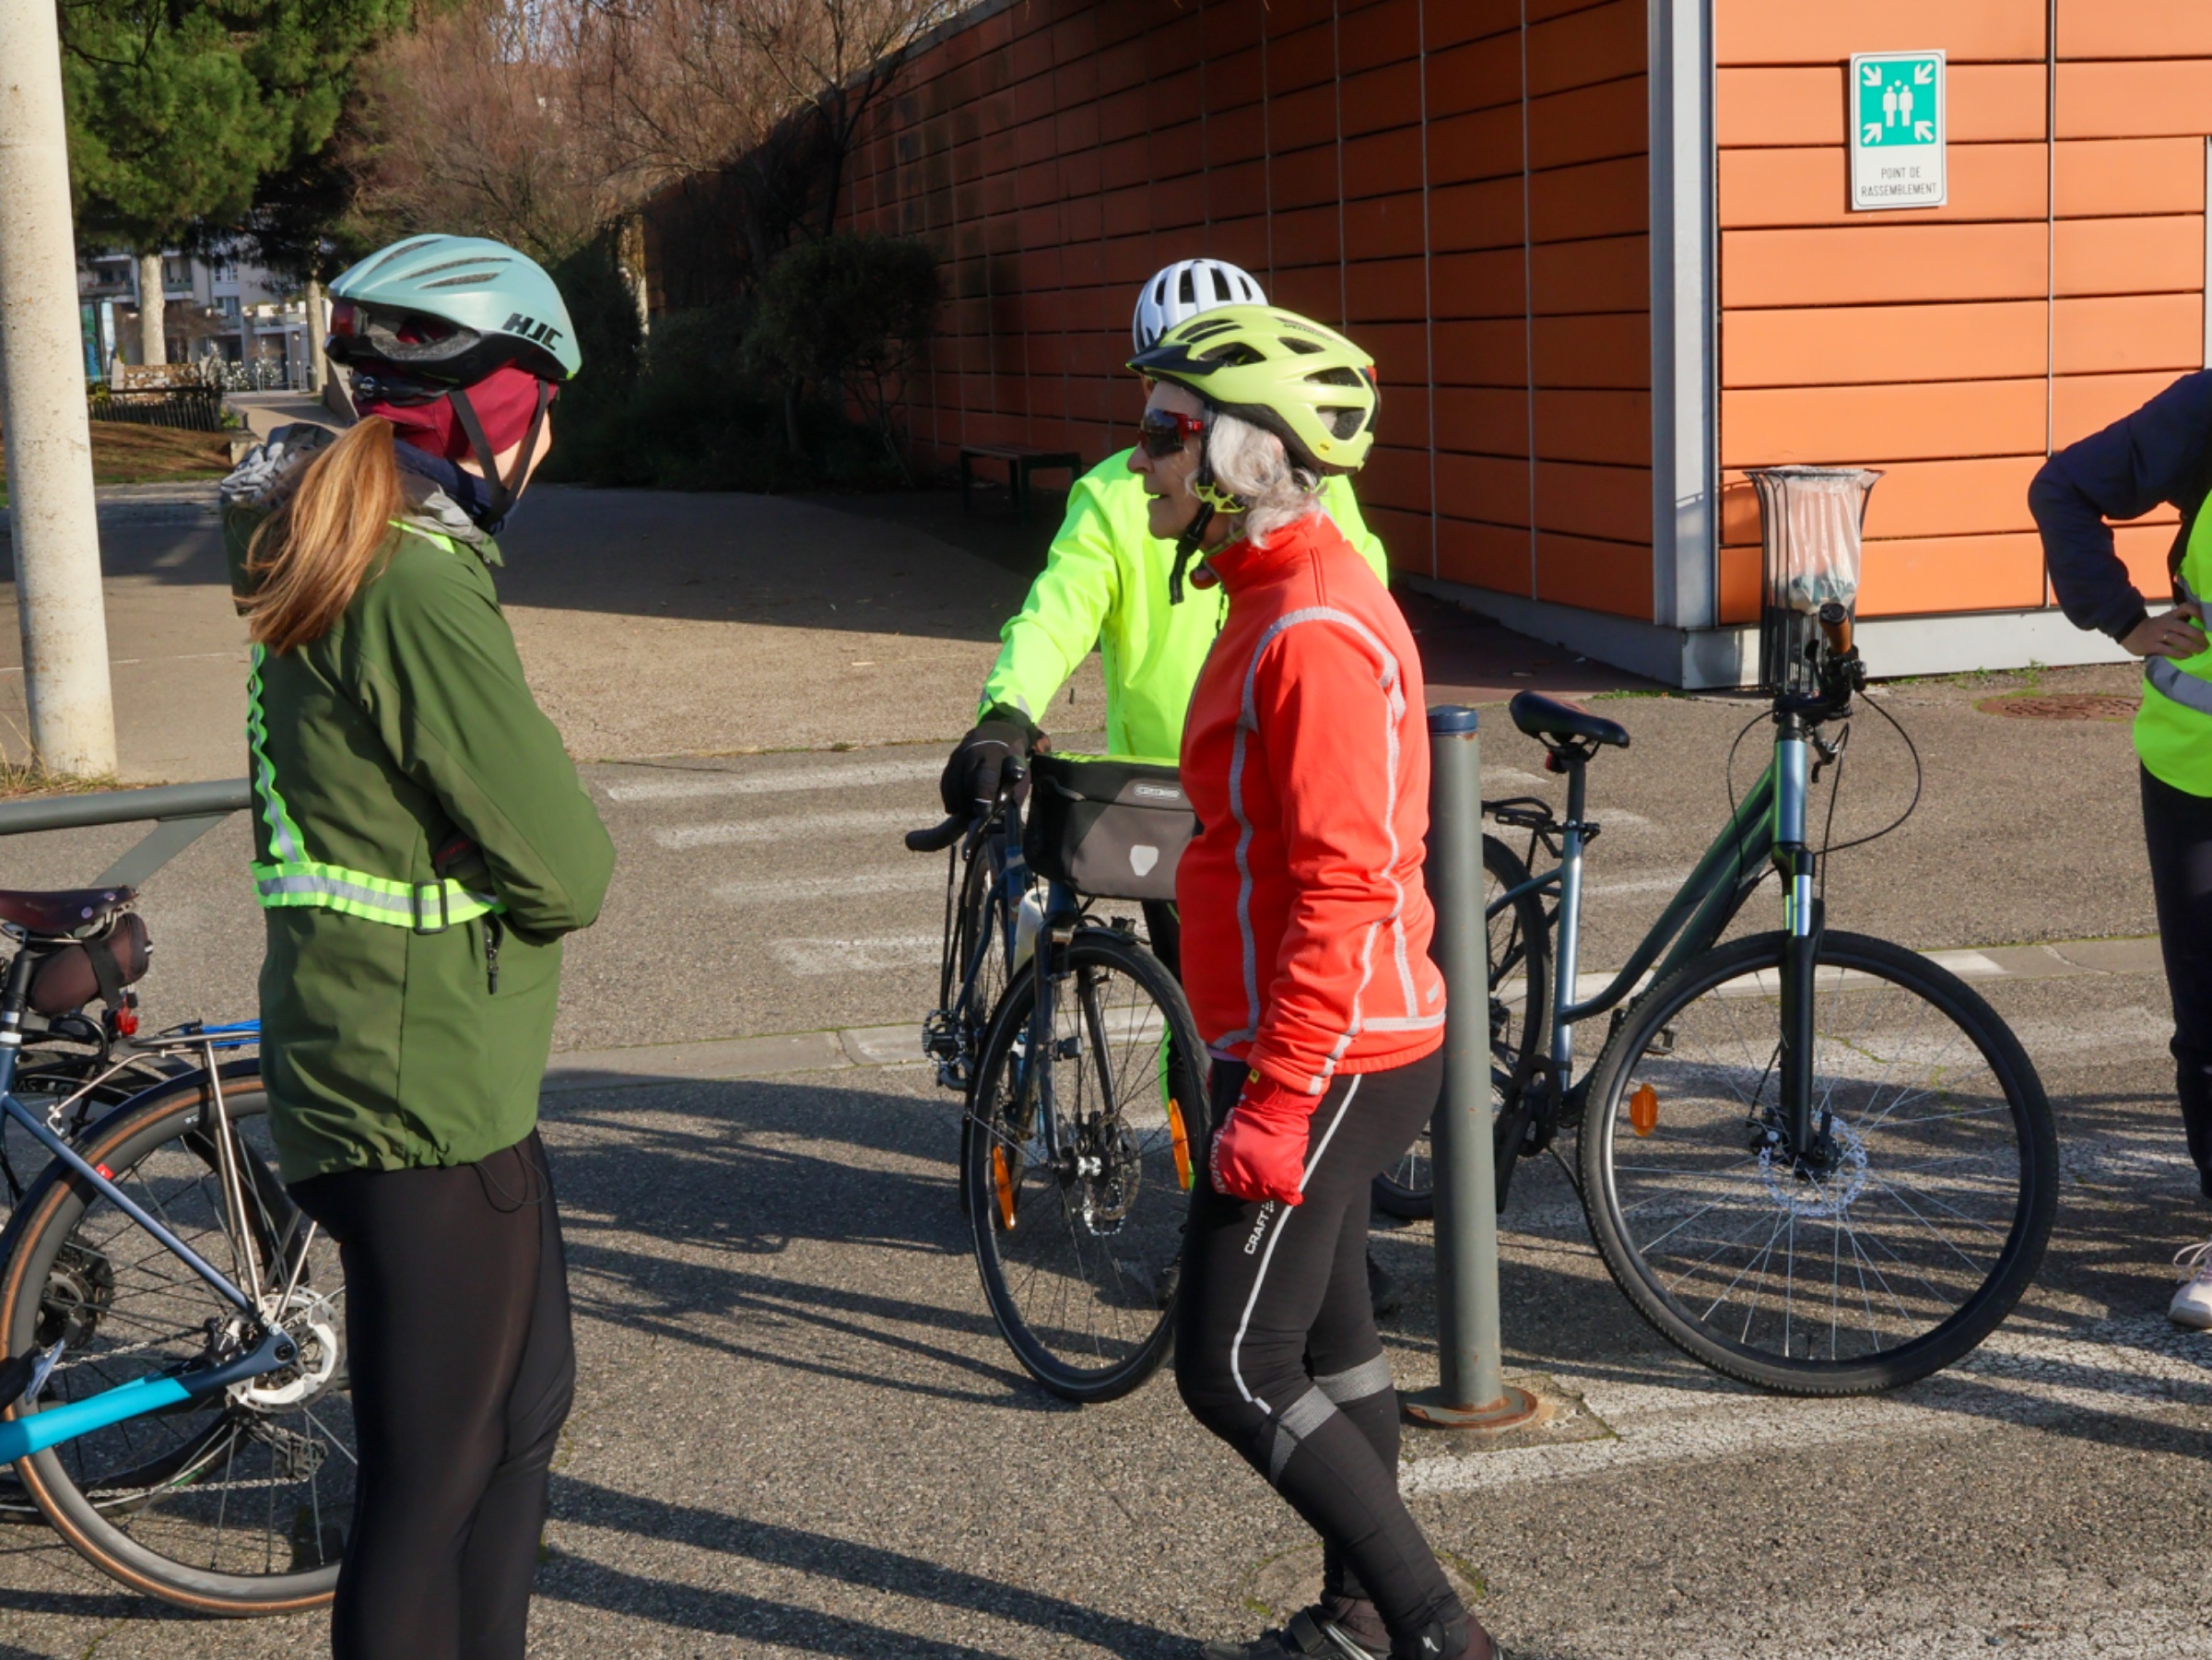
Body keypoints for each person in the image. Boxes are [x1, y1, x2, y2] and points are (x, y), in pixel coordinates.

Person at [220, 232, 616, 1660]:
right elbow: (568, 866)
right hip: (419, 1088)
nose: (549, 441)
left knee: (520, 1417)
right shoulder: (412, 579)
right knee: (431, 1483)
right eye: (545, 410)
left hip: (419, 1069)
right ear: (498, 407)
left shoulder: (349, 539)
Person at [1128, 302, 1500, 1660]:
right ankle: (1356, 1620)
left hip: (1332, 1052)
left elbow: (1346, 884)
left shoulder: (1315, 628)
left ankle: (1441, 1635)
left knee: (1232, 1365)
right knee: (1335, 1354)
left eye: (1164, 431)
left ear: (1243, 453)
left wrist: (1277, 1099)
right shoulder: (1276, 590)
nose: (1140, 459)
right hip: (1320, 1038)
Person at [939, 258, 1391, 977]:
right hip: (1172, 796)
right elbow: (1058, 613)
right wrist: (1007, 708)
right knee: (1201, 990)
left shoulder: (1314, 500)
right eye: (1160, 403)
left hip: (1245, 785)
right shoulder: (1123, 495)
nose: (1146, 451)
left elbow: (1360, 618)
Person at [2030, 370, 2212, 1330]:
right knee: (2211, 1019)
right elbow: (2063, 486)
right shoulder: (2209, 411)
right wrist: (2124, 617)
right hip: (2199, 772)